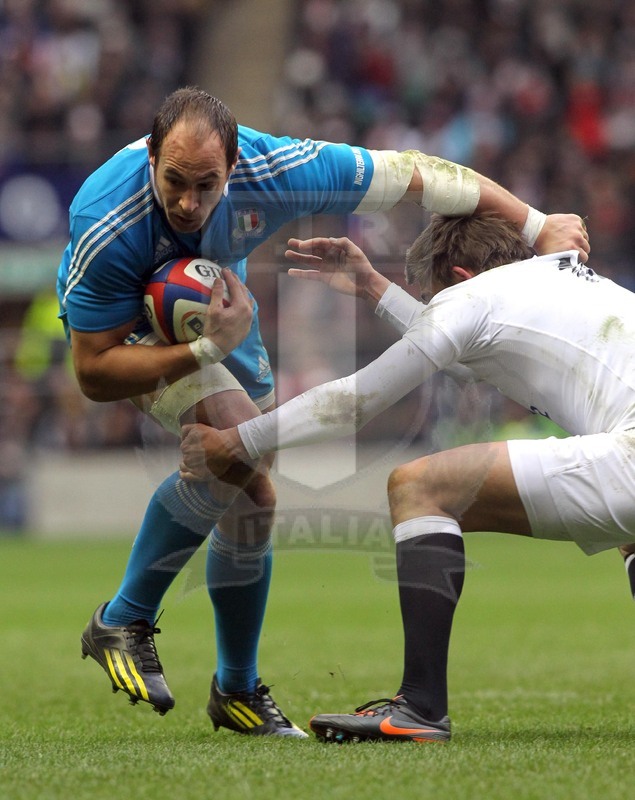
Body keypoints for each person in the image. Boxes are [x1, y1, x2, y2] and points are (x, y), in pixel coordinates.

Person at [57, 84, 589, 737]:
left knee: (252, 492)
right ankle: (126, 619)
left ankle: (234, 690)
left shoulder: (279, 169)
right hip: (135, 332)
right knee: (234, 443)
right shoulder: (107, 221)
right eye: (174, 182)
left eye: (207, 183)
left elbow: (424, 175)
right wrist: (200, 348)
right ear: (150, 163)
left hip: (219, 302)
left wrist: (535, 224)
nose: (189, 202)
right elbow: (93, 373)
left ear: (235, 166)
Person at [179, 212, 635, 743]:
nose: (437, 309)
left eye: (435, 296)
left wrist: (237, 441)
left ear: (461, 279)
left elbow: (353, 402)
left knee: (419, 487)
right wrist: (375, 287)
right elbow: (470, 358)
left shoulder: (474, 299)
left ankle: (420, 706)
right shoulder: (561, 282)